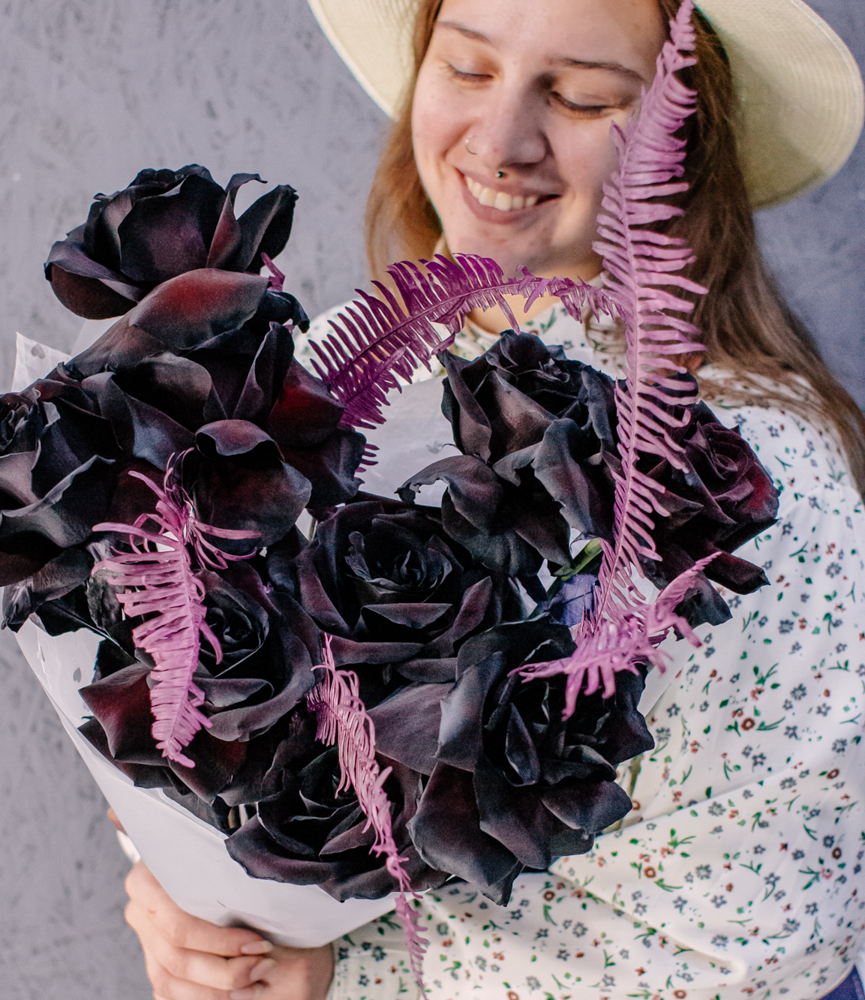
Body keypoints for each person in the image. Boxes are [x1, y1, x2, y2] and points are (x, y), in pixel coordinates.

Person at [121, 0, 865, 997]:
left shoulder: (750, 478)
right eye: (469, 70)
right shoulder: (309, 381)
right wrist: (197, 920)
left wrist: (346, 977)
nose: (503, 140)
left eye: (582, 96)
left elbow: (764, 944)